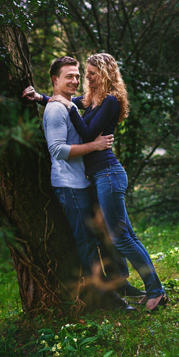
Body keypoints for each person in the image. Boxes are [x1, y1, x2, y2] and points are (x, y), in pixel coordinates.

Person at [45, 53, 168, 311]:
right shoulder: (91, 100)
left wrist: (69, 107)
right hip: (99, 177)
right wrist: (41, 98)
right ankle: (153, 289)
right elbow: (61, 101)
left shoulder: (110, 101)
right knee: (125, 236)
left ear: (104, 73)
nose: (85, 78)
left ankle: (156, 291)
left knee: (122, 239)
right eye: (84, 73)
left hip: (108, 174)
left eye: (90, 73)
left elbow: (86, 130)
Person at [23, 56, 134, 312]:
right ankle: (103, 297)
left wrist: (40, 97)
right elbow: (58, 150)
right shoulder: (55, 110)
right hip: (69, 185)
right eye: (69, 76)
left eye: (77, 75)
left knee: (99, 236)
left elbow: (78, 103)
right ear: (55, 80)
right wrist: (94, 146)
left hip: (81, 181)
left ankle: (116, 285)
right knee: (86, 241)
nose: (76, 80)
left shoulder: (64, 104)